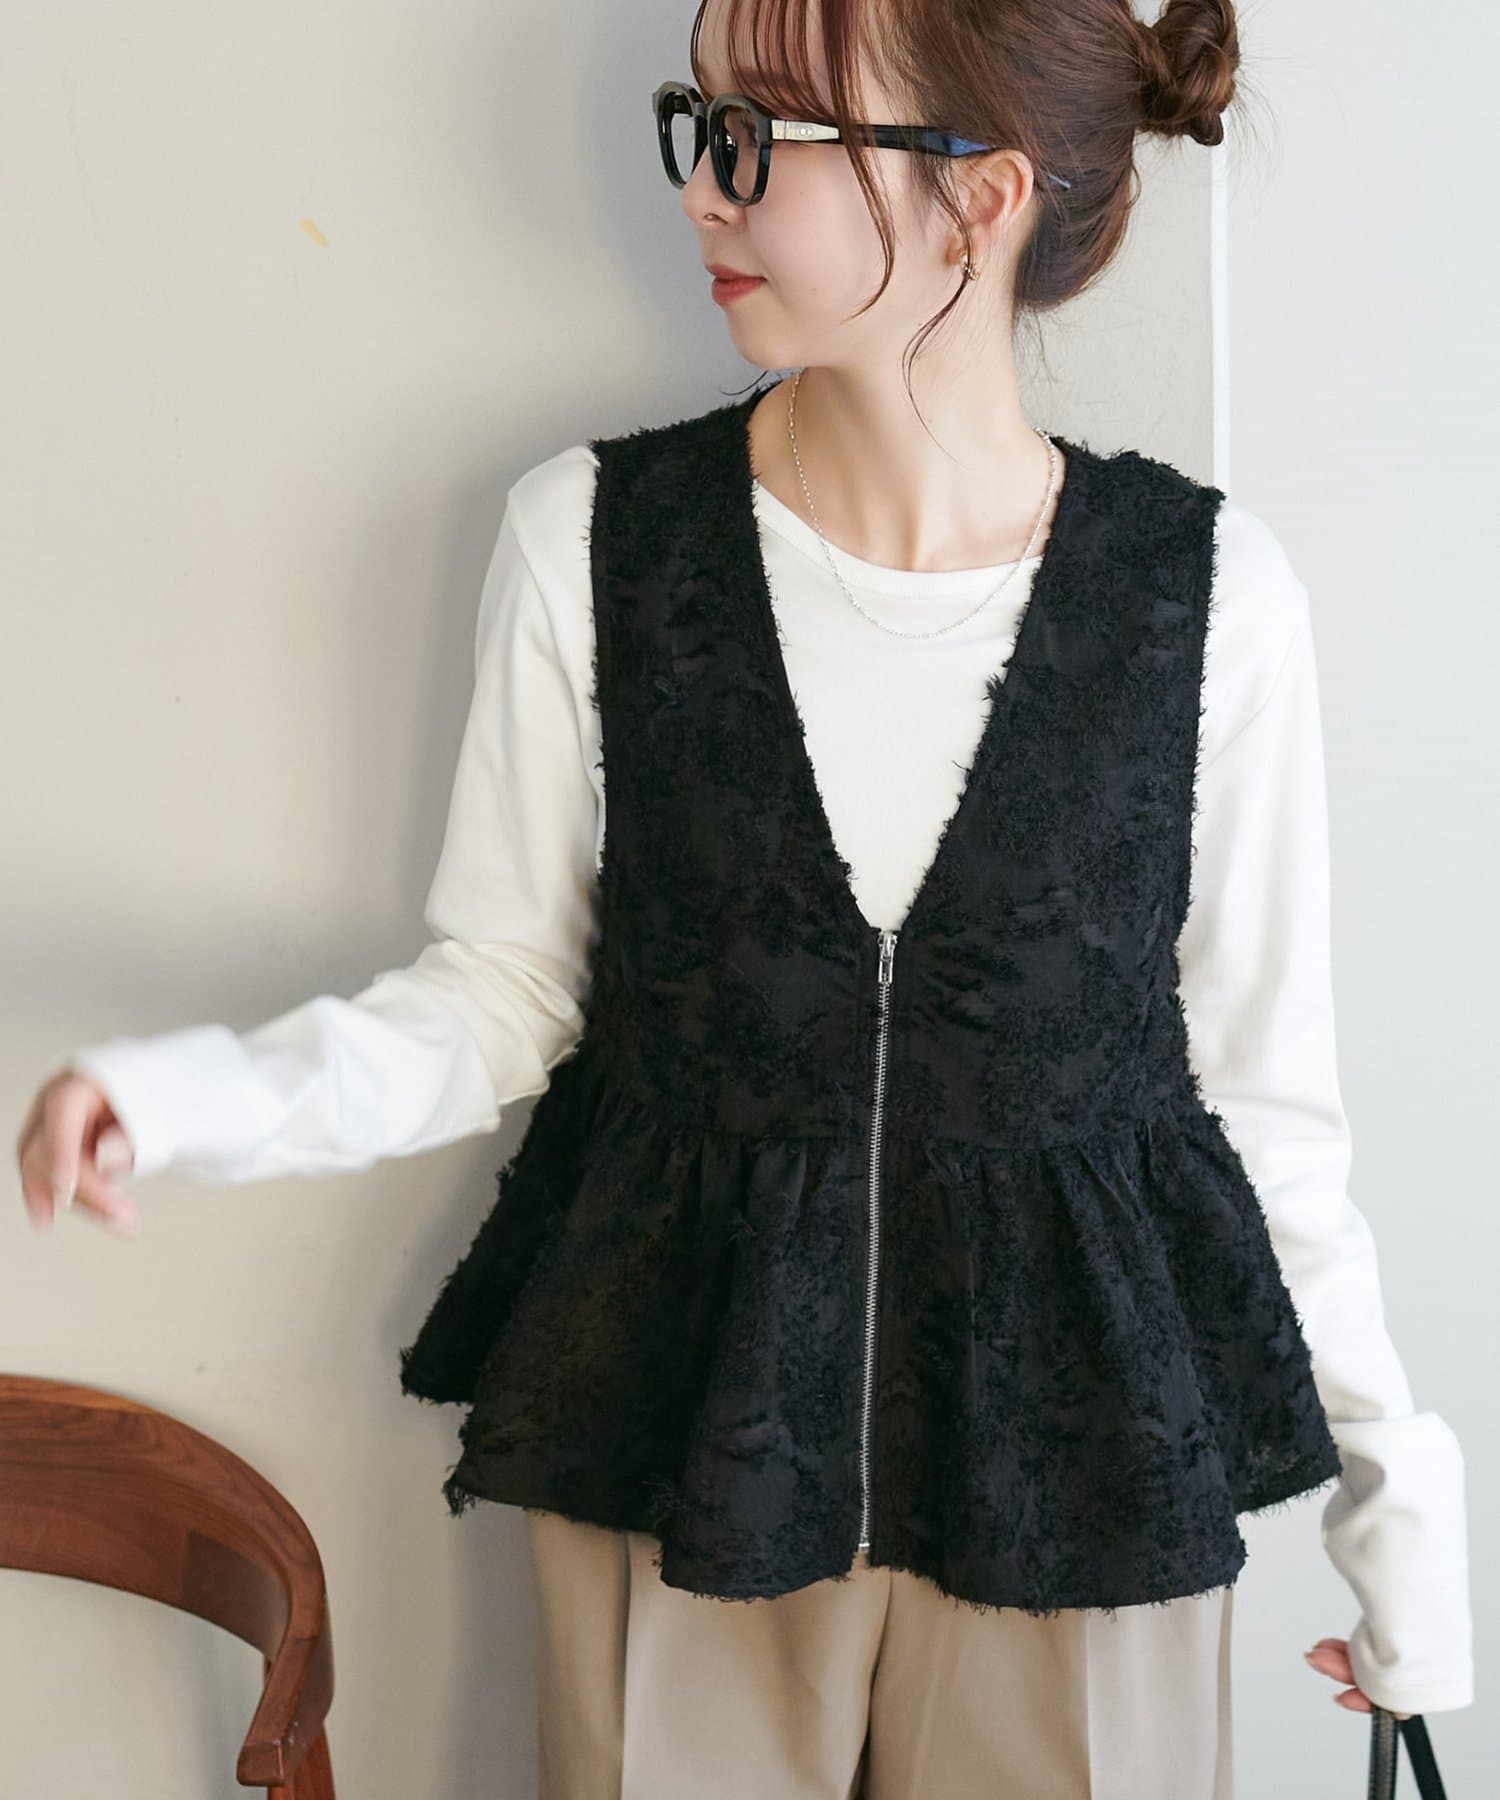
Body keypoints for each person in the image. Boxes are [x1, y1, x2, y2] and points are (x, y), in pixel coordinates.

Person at [17, 0, 1473, 1794]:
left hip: (1081, 1466)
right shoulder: (597, 542)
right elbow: (498, 993)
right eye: (697, 122)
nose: (704, 192)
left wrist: (1400, 1499)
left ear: (981, 193)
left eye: (761, 137)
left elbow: (1266, 1113)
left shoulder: (1211, 599)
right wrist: (195, 1099)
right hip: (683, 1433)